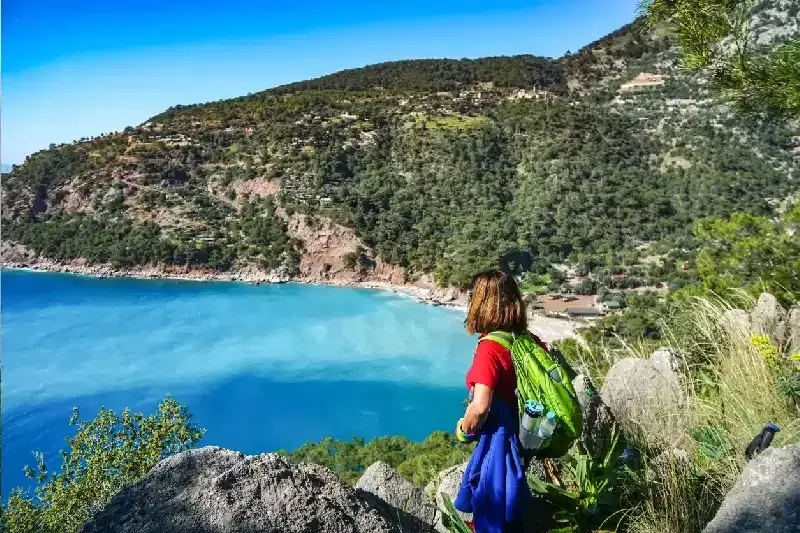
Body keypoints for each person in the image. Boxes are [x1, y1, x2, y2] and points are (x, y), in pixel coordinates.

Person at [453, 269, 533, 533]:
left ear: (482, 303)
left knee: (493, 502)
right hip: (524, 432)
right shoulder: (526, 340)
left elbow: (480, 406)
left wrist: (464, 429)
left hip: (499, 435)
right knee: (510, 500)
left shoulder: (490, 348)